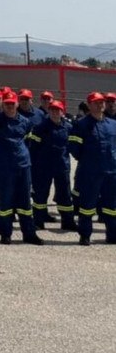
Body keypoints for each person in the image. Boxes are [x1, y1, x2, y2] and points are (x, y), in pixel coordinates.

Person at [0, 91, 41, 245]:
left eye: (12, 103)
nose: (9, 106)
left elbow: (29, 141)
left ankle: (29, 234)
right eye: (6, 104)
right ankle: (5, 233)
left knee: (25, 203)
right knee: (5, 201)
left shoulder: (25, 122)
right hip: (5, 167)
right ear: (3, 105)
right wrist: (2, 153)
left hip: (23, 165)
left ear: (16, 104)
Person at [68, 92, 116, 245]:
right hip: (90, 173)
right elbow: (74, 147)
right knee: (87, 206)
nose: (100, 104)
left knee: (111, 206)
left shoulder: (113, 124)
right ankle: (85, 235)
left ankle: (112, 235)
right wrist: (87, 161)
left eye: (101, 102)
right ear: (89, 105)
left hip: (111, 171)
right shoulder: (81, 124)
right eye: (96, 102)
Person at [28, 100, 75, 231]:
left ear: (62, 112)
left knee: (64, 195)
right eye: (52, 110)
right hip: (44, 167)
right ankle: (38, 221)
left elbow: (73, 146)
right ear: (48, 112)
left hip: (62, 166)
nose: (55, 112)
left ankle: (67, 221)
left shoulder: (69, 128)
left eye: (57, 110)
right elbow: (33, 149)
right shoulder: (40, 128)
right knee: (41, 194)